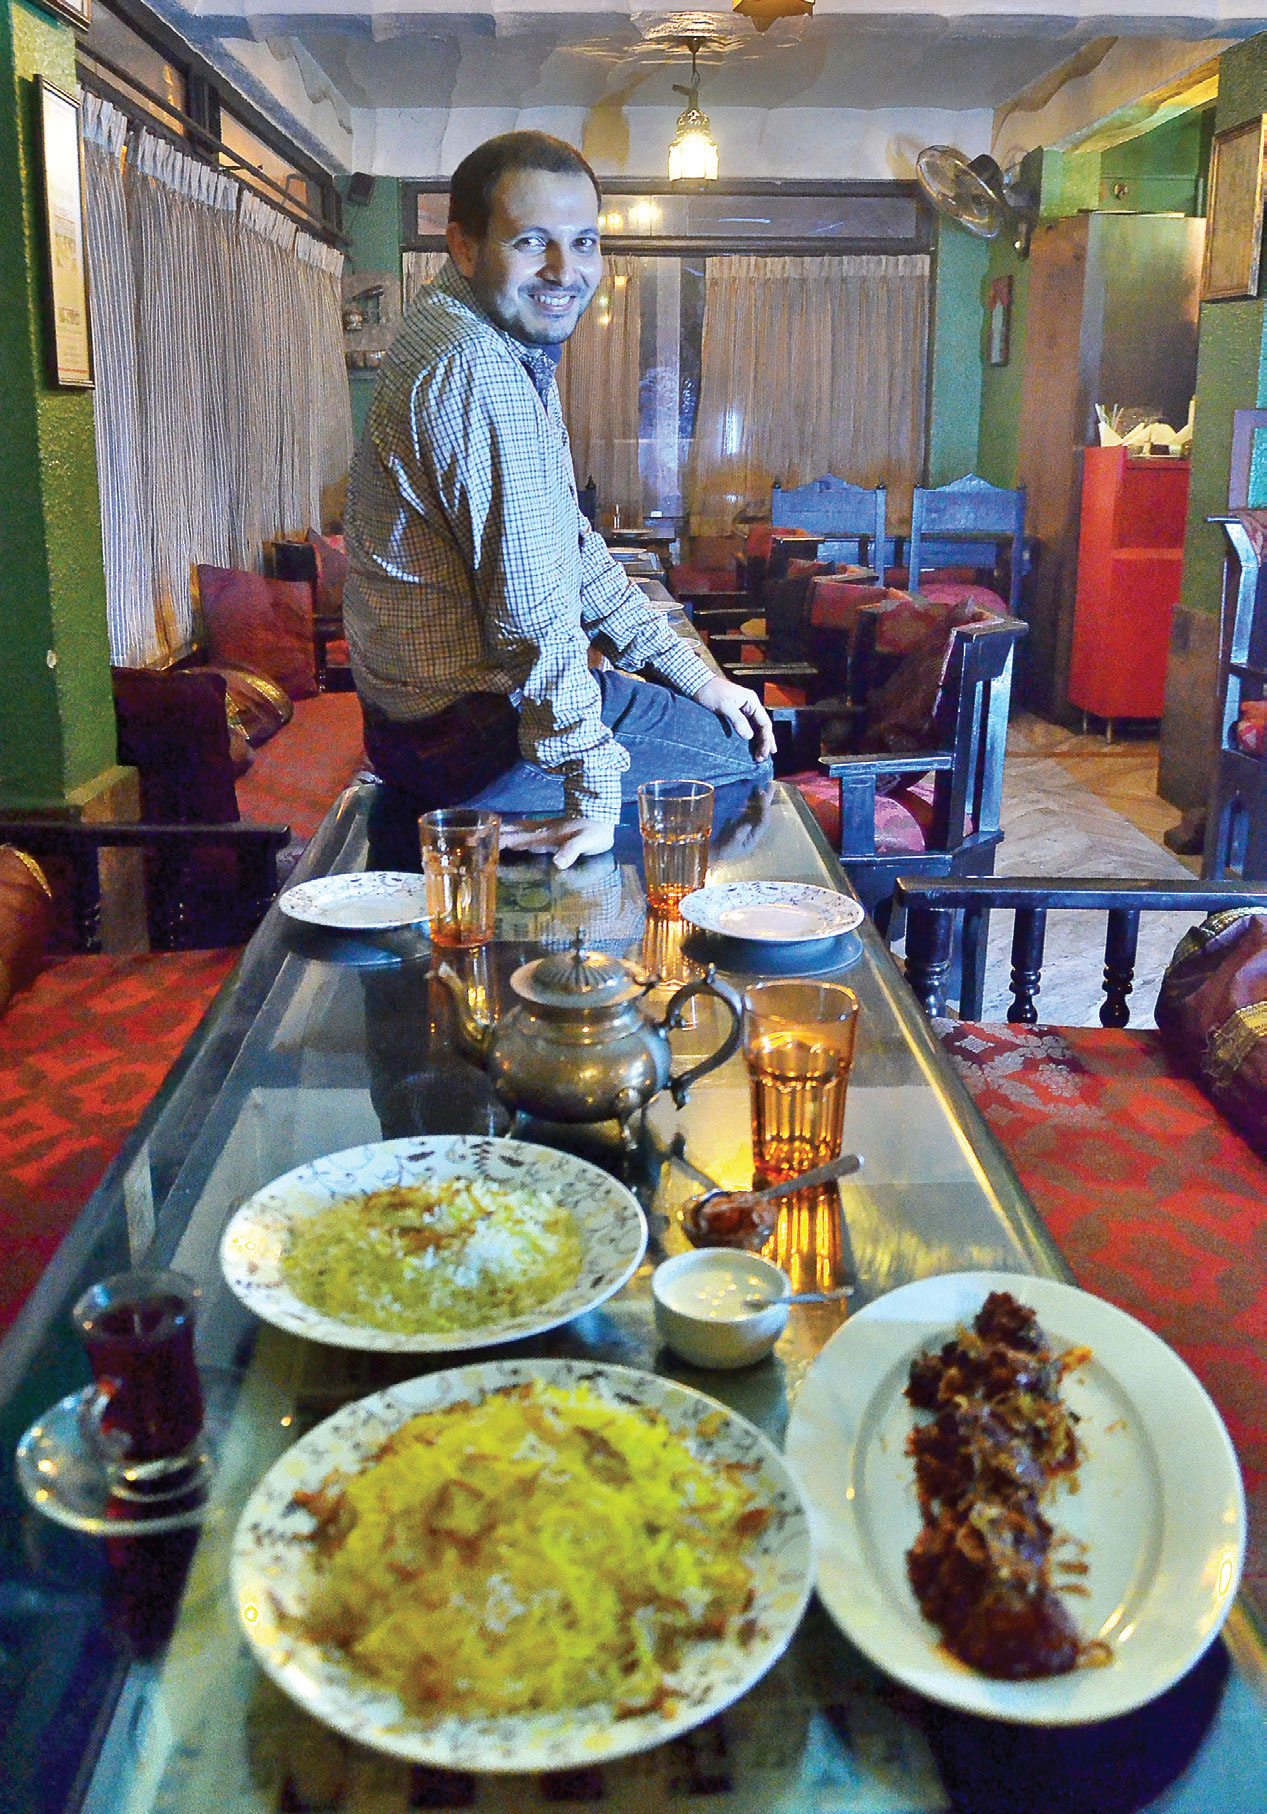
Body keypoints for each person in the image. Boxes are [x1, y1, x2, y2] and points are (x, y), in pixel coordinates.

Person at [343, 130, 774, 870]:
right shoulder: (476, 368)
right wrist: (593, 796)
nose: (564, 270)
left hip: (423, 732)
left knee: (707, 720)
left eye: (583, 242)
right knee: (743, 760)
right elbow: (532, 618)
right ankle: (613, 923)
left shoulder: (468, 334)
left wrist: (695, 676)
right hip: (472, 744)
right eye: (530, 241)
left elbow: (569, 549)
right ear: (464, 245)